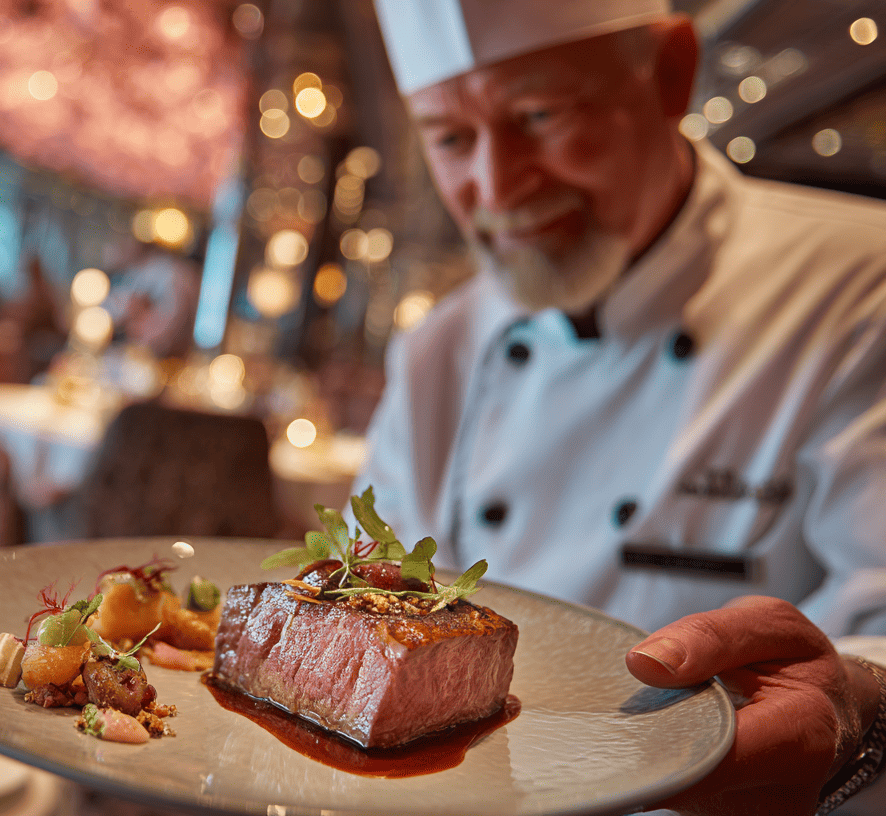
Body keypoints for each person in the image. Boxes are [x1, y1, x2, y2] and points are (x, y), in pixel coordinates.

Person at [356, 1, 886, 813]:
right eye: (452, 138)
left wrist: (855, 710)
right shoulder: (440, 348)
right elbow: (366, 592)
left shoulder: (862, 285)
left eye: (540, 114)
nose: (498, 185)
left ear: (669, 74)